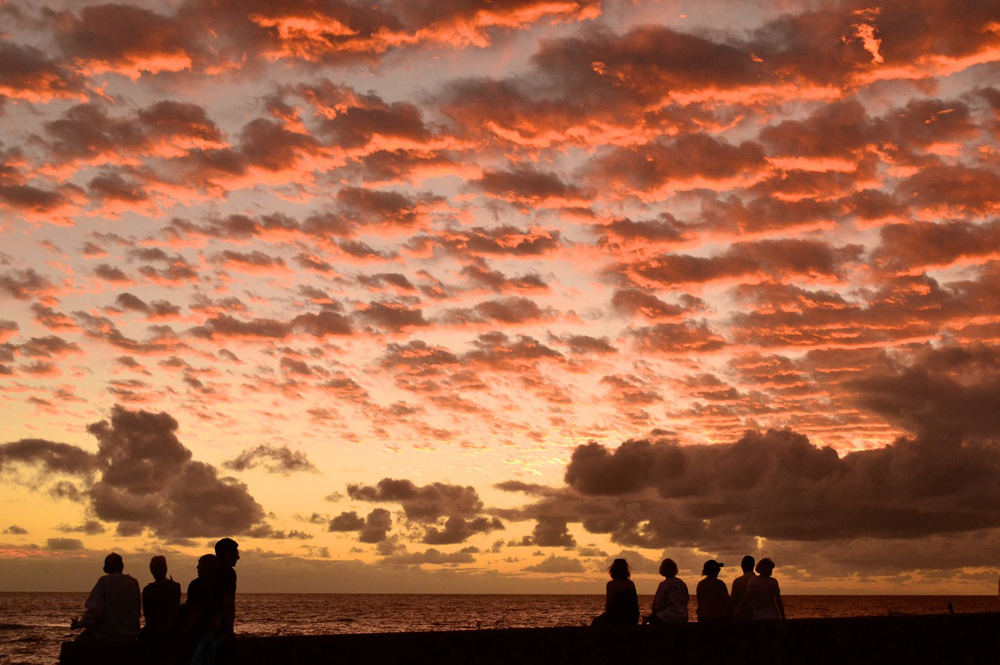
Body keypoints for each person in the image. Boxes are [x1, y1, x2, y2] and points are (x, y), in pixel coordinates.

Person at [73, 552, 141, 643]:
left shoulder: (104, 582)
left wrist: (79, 624)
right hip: (130, 635)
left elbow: (95, 611)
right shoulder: (134, 583)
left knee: (78, 642)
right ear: (122, 566)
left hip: (108, 635)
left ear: (105, 569)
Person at [736, 557, 786, 665]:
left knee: (762, 647)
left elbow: (746, 599)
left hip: (759, 617)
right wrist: (783, 617)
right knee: (774, 647)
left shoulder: (753, 581)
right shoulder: (773, 582)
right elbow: (778, 601)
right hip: (773, 617)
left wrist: (737, 613)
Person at [139, 555, 181, 643]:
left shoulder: (148, 590)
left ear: (152, 570)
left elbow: (148, 615)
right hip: (171, 632)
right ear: (165, 569)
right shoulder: (175, 587)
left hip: (153, 633)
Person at [591, 558, 639, 625]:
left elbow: (608, 604)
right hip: (631, 617)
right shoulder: (630, 584)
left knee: (595, 623)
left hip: (615, 617)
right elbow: (635, 602)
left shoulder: (611, 585)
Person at [648, 558, 688, 624]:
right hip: (682, 617)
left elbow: (657, 605)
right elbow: (686, 600)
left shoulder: (663, 585)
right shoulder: (682, 583)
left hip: (668, 617)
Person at [214, 538, 240, 638]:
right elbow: (228, 603)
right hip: (219, 627)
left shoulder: (211, 572)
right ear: (227, 554)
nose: (238, 557)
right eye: (236, 553)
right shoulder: (228, 573)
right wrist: (229, 630)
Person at [730, 555, 756, 621]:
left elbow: (732, 600)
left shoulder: (738, 581)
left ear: (742, 566)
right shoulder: (759, 580)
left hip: (741, 614)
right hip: (756, 614)